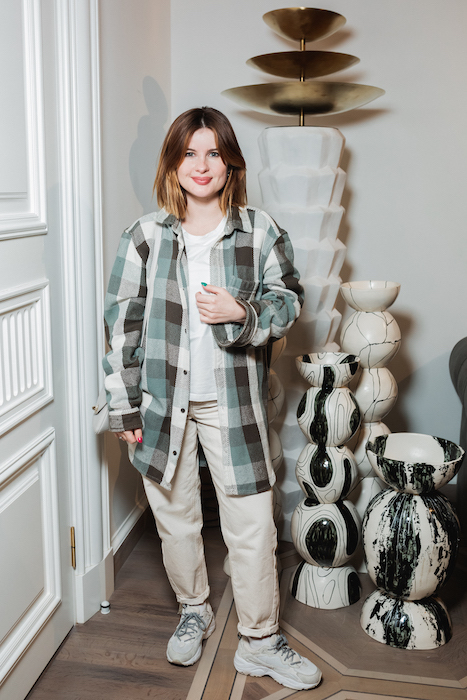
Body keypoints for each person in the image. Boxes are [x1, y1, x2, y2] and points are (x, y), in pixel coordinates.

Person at [103, 107, 322, 691]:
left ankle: (260, 641)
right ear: (173, 163)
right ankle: (193, 609)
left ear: (231, 164)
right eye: (190, 153)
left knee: (251, 523)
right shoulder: (143, 237)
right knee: (175, 520)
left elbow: (290, 300)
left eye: (214, 153)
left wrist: (241, 312)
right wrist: (124, 405)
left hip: (235, 403)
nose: (202, 165)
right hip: (160, 404)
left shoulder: (261, 231)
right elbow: (122, 327)